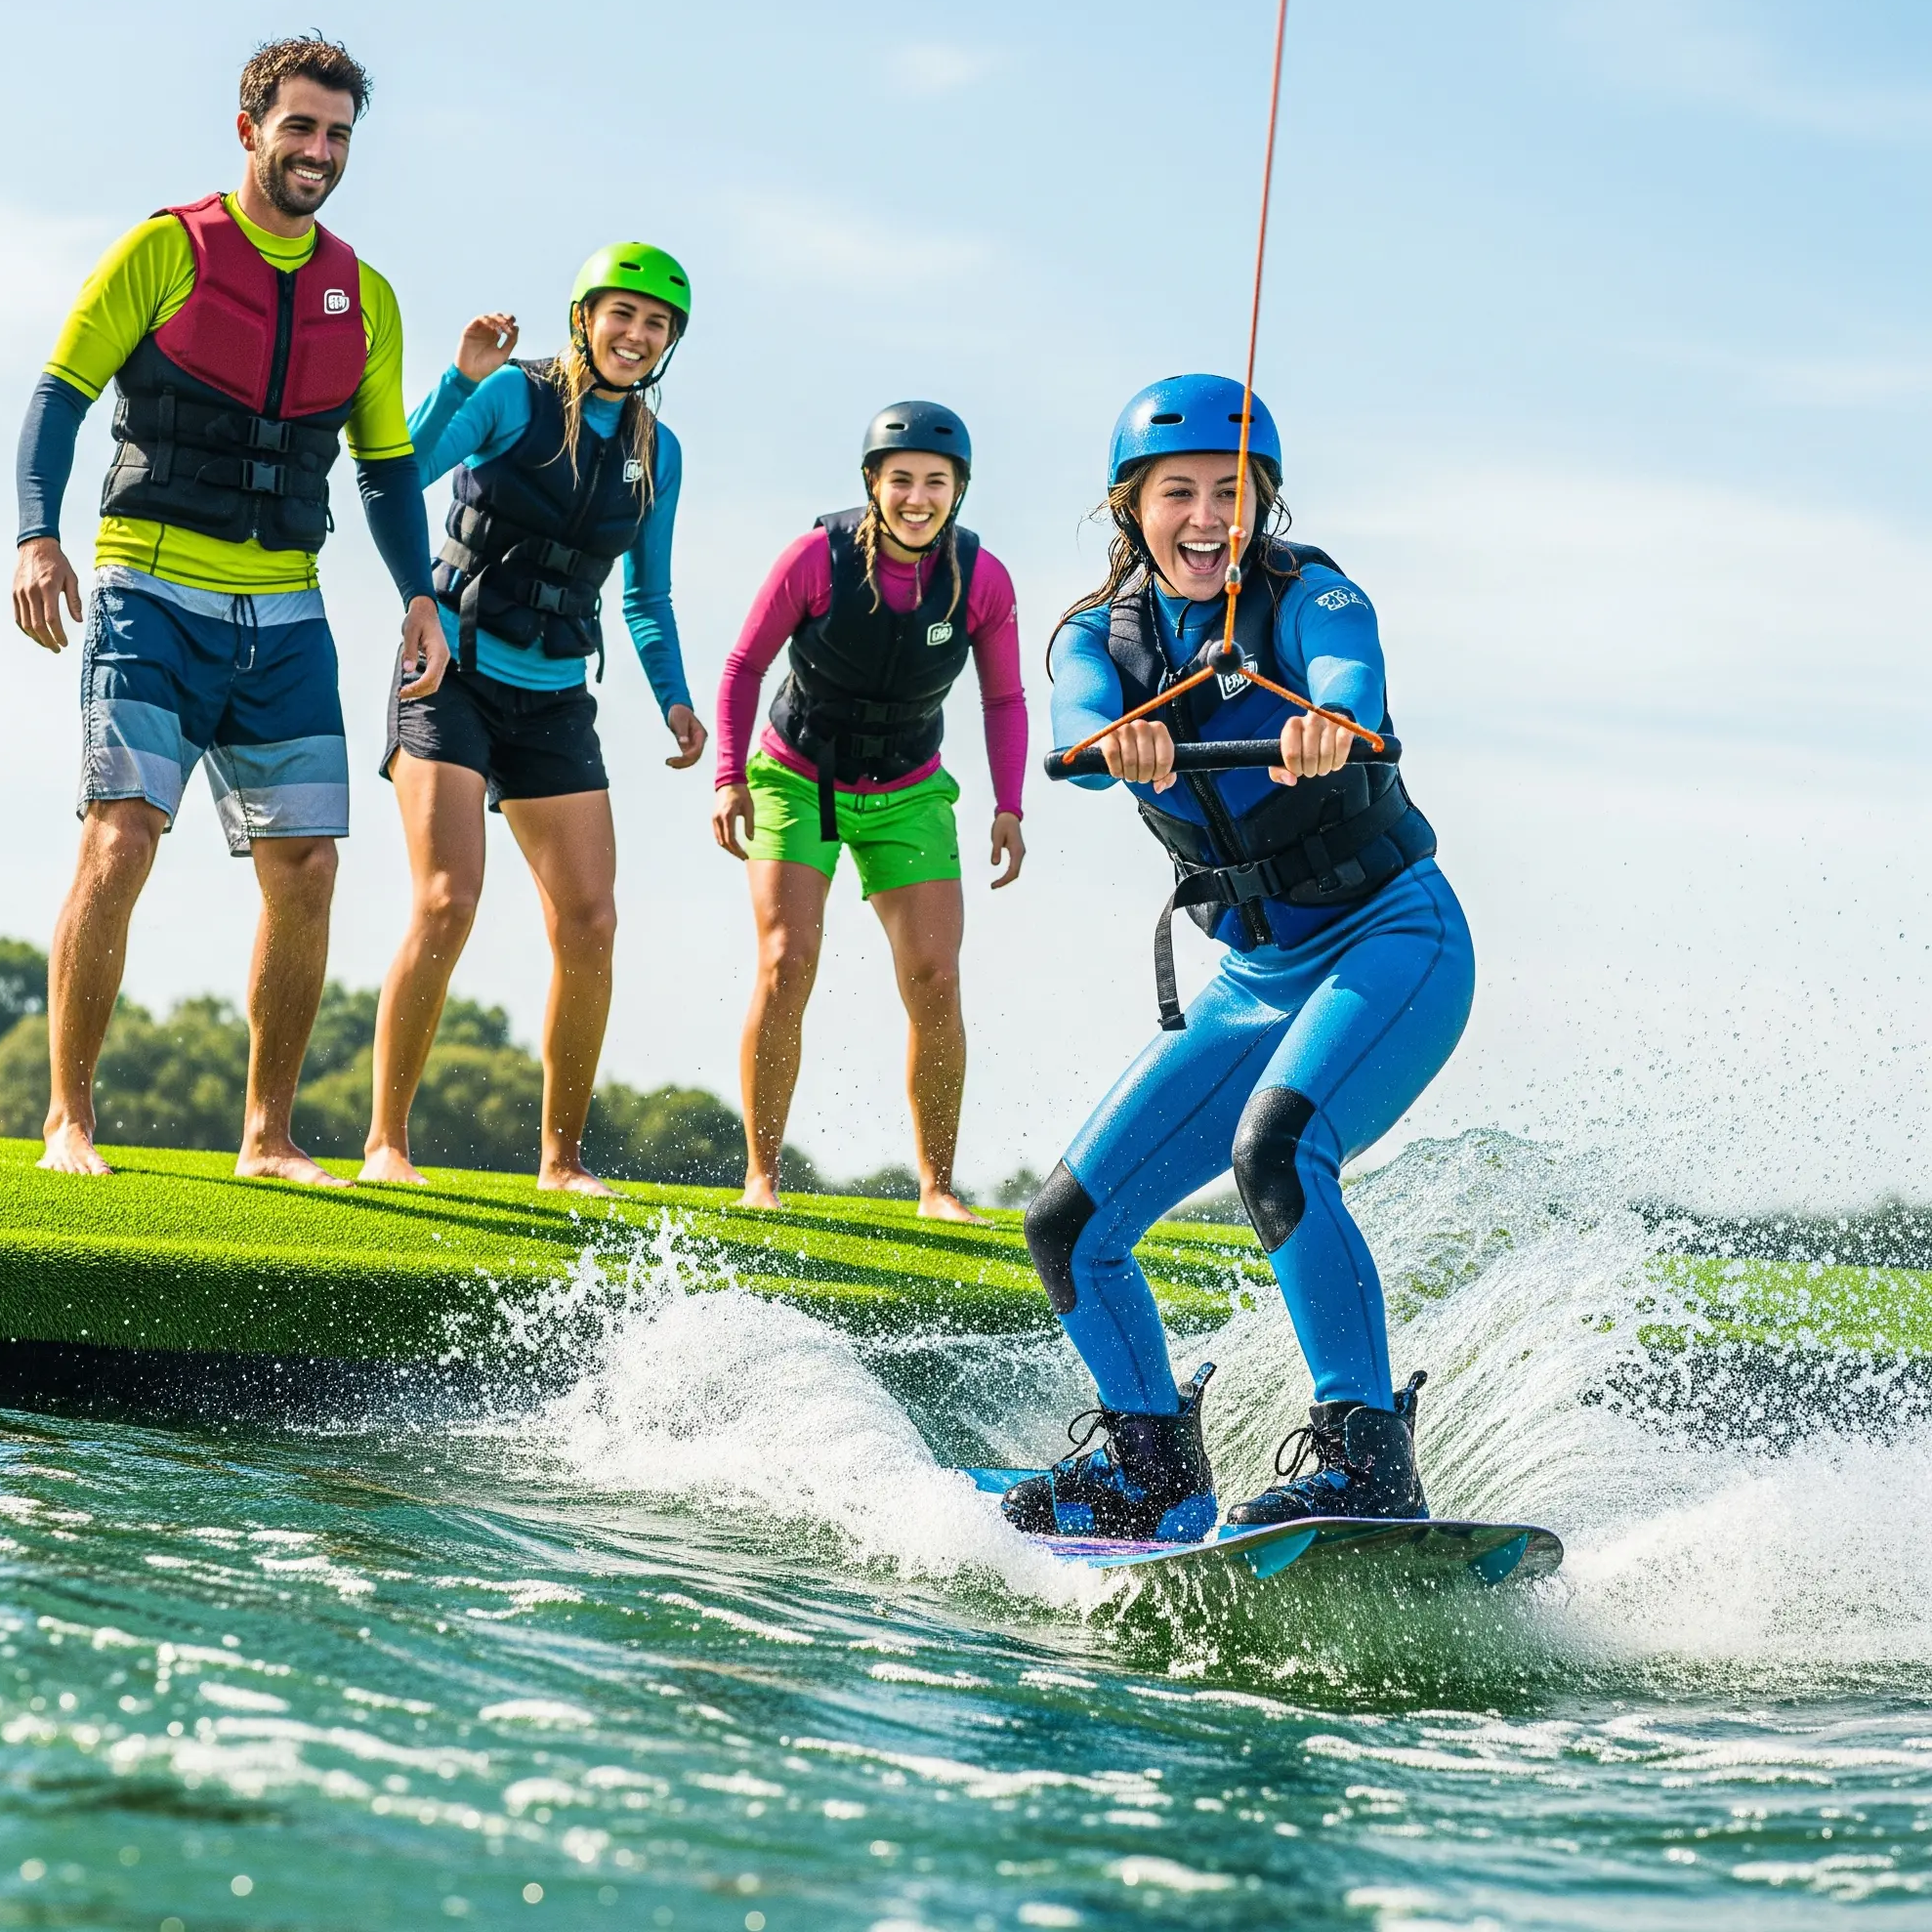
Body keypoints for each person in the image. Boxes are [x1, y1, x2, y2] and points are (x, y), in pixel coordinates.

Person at [1002, 374, 1472, 1541]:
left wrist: (1329, 723)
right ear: (1131, 508)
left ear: (1262, 500)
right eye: (1178, 493)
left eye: (1231, 491)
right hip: (1252, 975)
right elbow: (1072, 723)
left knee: (1277, 1151)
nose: (1207, 516)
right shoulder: (1092, 636)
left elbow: (1351, 679)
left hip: (1390, 938)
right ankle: (1149, 1464)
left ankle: (1365, 1458)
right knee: (1066, 1223)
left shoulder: (1313, 594)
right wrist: (1116, 739)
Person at [9, 36, 446, 1184]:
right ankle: (68, 1119)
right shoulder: (166, 249)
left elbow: (390, 470)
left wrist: (419, 596)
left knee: (307, 866)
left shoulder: (368, 295)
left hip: (286, 614)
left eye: (338, 134)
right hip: (150, 591)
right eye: (300, 127)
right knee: (122, 835)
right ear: (249, 126)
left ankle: (268, 1137)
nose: (318, 151)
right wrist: (35, 534)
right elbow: (57, 396)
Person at [359, 247, 706, 1194]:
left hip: (554, 692)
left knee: (591, 920)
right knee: (446, 899)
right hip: (452, 674)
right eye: (620, 314)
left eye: (655, 324)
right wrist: (458, 379)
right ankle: (386, 1140)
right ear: (583, 316)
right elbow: (405, 467)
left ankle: (561, 1159)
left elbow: (649, 594)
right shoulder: (514, 396)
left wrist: (673, 694)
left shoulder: (655, 453)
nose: (635, 335)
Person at [713, 403, 1028, 1220]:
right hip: (796, 778)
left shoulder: (981, 579)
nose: (917, 498)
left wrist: (1009, 804)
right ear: (872, 485)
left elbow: (1004, 698)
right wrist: (727, 777)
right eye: (901, 481)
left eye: (936, 482)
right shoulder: (813, 559)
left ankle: (938, 1188)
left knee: (936, 978)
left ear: (958, 491)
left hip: (910, 789)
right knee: (787, 962)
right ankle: (761, 1177)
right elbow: (745, 665)